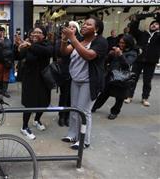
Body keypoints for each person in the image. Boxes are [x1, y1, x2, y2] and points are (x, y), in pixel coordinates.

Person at [60, 16, 108, 150]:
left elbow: (88, 55)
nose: (85, 26)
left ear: (96, 28)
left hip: (90, 81)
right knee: (74, 109)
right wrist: (65, 39)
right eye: (84, 24)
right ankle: (72, 134)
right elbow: (64, 51)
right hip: (76, 79)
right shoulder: (81, 39)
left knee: (83, 111)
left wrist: (73, 38)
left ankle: (84, 140)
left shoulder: (101, 42)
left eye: (89, 24)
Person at [18, 27, 53, 140]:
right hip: (30, 79)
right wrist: (18, 47)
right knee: (29, 104)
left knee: (43, 103)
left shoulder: (47, 45)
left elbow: (46, 52)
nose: (36, 34)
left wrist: (29, 46)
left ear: (44, 35)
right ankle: (24, 127)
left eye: (39, 32)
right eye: (34, 32)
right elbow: (19, 56)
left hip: (44, 79)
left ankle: (37, 120)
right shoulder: (26, 45)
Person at [92, 35, 137, 120]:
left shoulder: (132, 52)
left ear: (128, 43)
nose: (121, 44)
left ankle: (114, 112)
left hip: (122, 78)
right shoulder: (116, 49)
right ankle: (94, 107)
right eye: (120, 42)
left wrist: (120, 55)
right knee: (104, 93)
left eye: (123, 43)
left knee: (120, 97)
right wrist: (109, 55)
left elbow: (127, 64)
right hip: (111, 75)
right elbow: (107, 61)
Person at [124, 17, 160, 107]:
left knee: (147, 81)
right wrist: (137, 20)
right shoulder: (143, 33)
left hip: (151, 62)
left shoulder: (159, 36)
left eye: (156, 24)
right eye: (152, 24)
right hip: (139, 60)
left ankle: (145, 98)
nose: (154, 25)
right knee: (133, 78)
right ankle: (129, 96)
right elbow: (133, 30)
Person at [54, 21, 82, 127]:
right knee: (64, 95)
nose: (71, 28)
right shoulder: (62, 40)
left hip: (77, 72)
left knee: (72, 97)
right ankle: (61, 116)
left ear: (77, 30)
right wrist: (63, 40)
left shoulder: (80, 41)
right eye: (69, 27)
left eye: (74, 27)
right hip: (64, 72)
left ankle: (68, 116)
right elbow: (58, 53)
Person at [0, 27, 13, 98]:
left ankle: (5, 91)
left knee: (6, 76)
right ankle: (1, 89)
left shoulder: (8, 40)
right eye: (0, 31)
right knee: (0, 75)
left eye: (3, 31)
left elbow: (11, 49)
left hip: (7, 61)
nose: (2, 33)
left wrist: (11, 59)